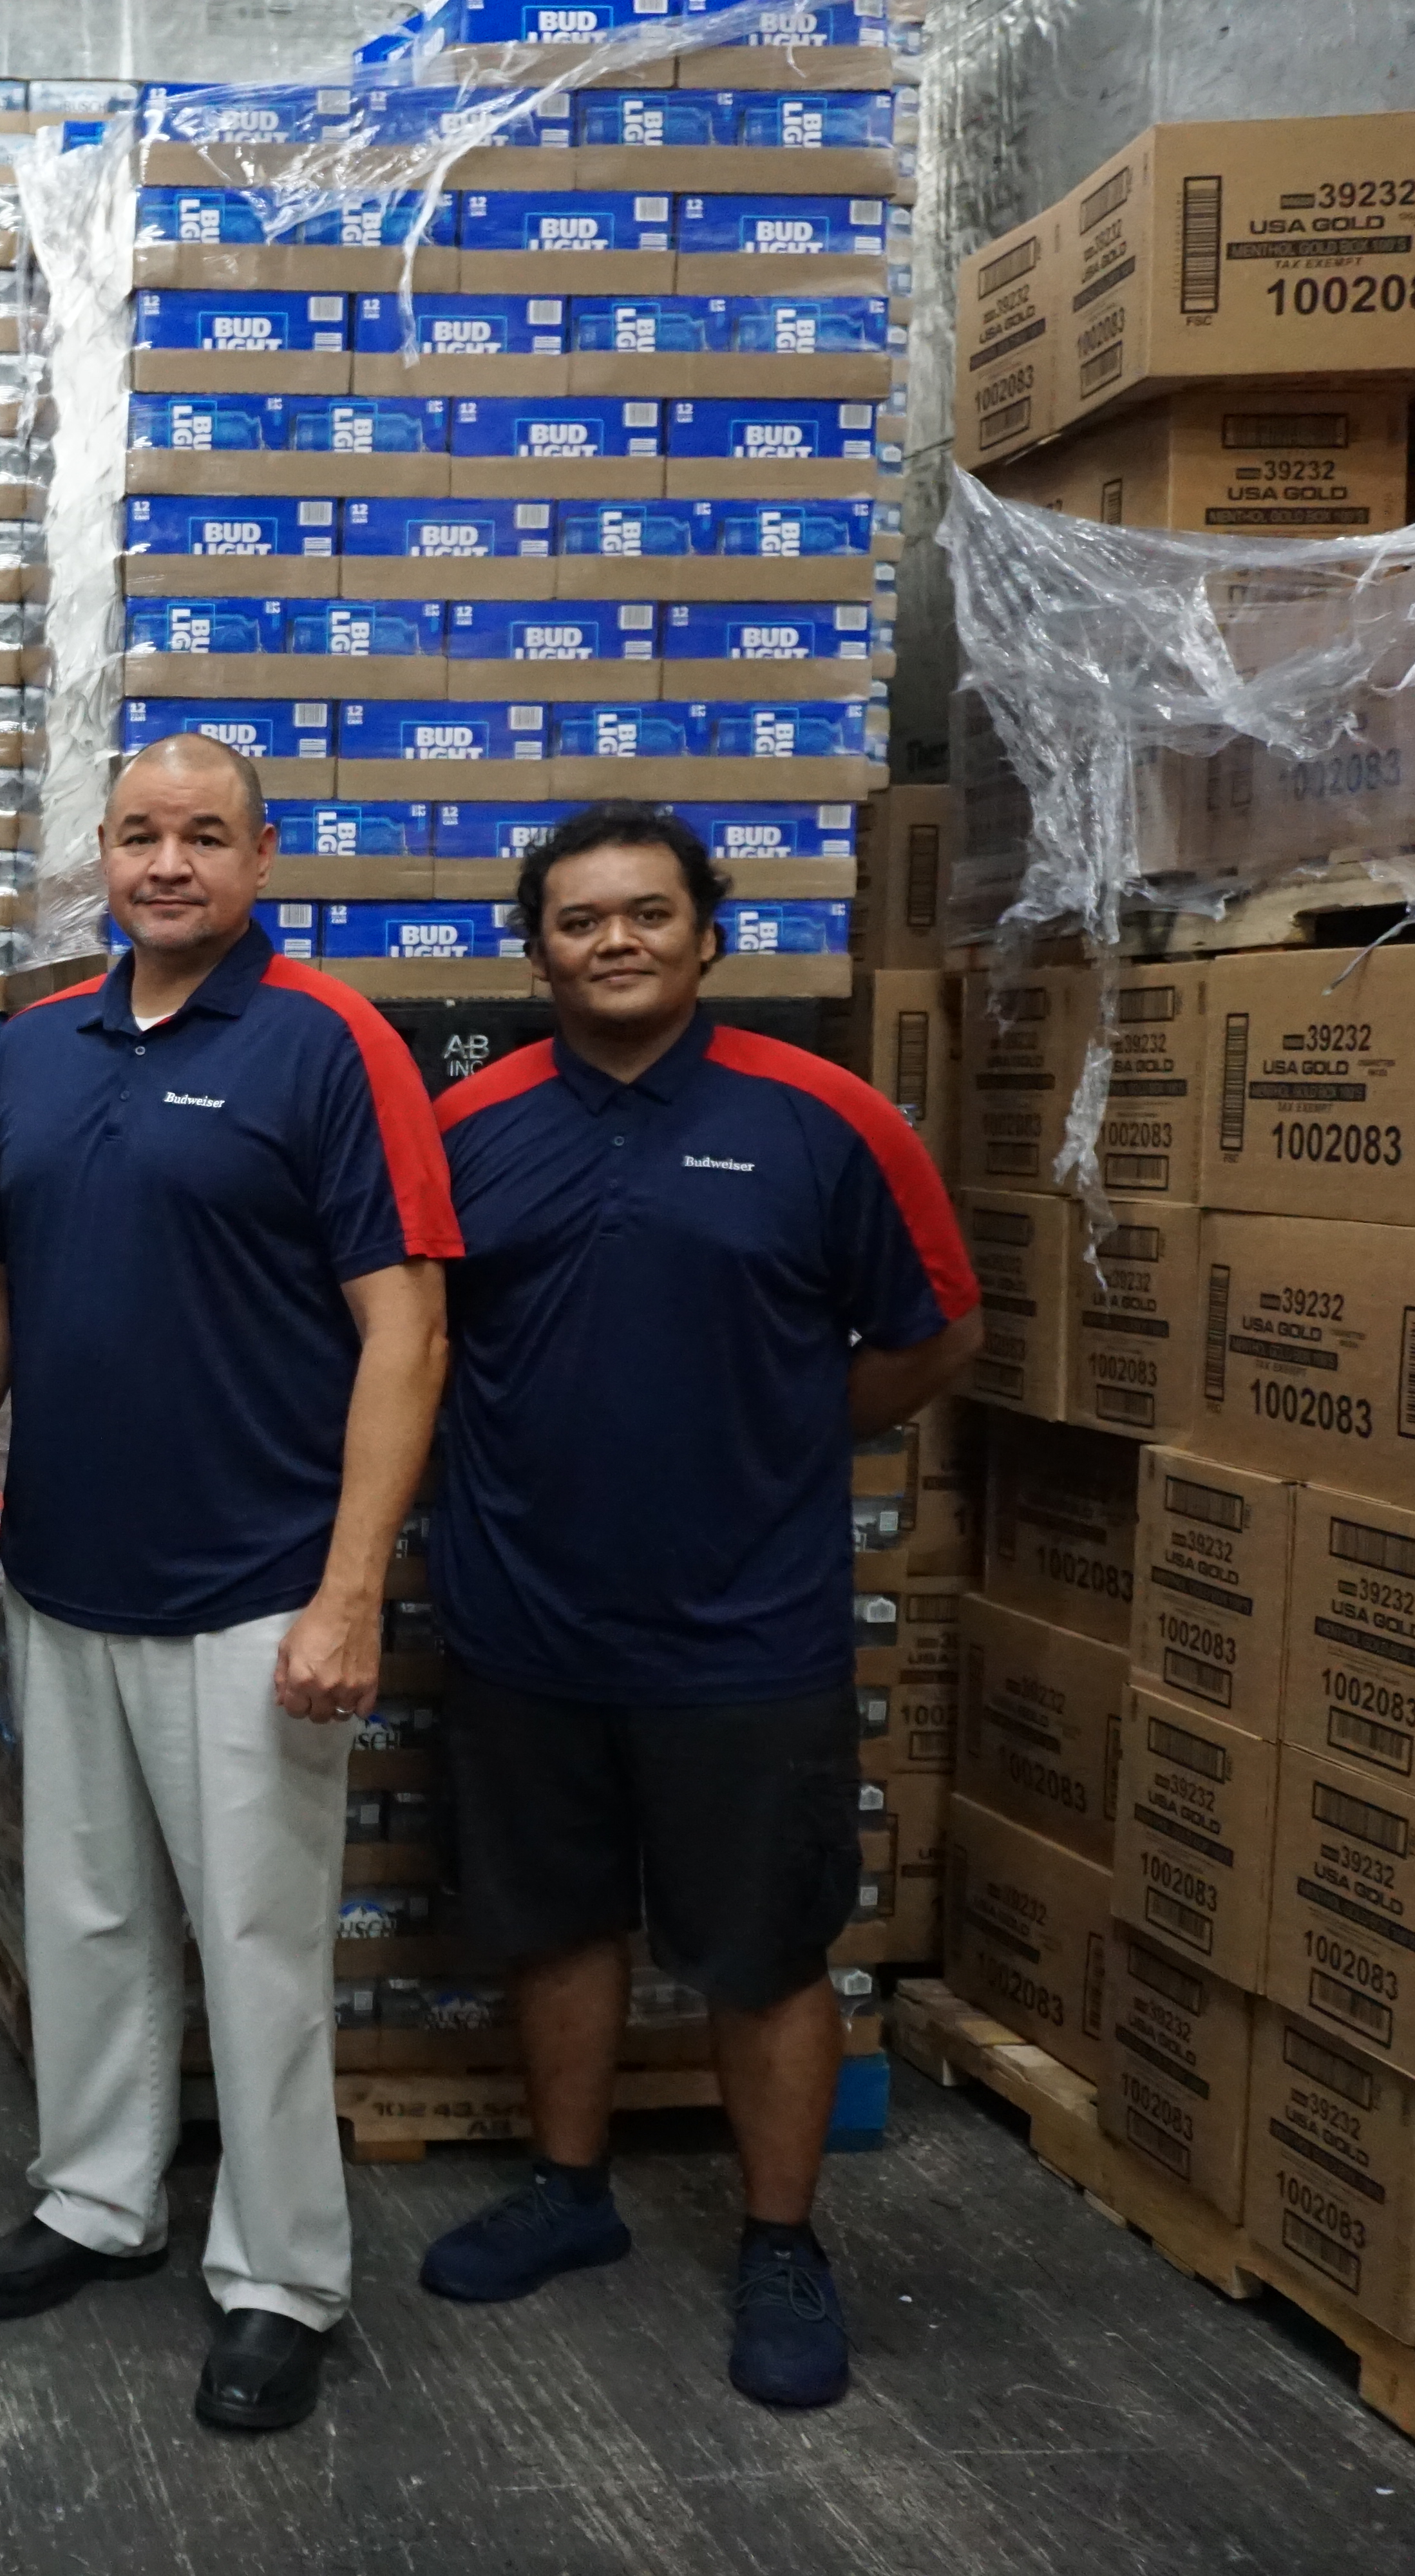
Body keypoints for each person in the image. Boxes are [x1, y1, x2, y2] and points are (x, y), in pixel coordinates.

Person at [415, 803, 979, 2409]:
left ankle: (783, 2238)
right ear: (536, 950)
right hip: (524, 1614)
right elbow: (415, 1341)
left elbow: (939, 1334)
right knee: (556, 1918)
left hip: (748, 1627)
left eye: (647, 914)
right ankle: (571, 2188)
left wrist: (787, 1430)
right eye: (580, 919)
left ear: (708, 934)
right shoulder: (475, 1128)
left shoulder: (827, 1119)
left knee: (765, 1946)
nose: (615, 941)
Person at [0, 732, 458, 2436]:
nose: (170, 865)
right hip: (68, 1571)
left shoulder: (328, 1045)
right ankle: (96, 2199)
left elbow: (408, 1329)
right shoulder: (35, 1053)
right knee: (83, 1919)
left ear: (261, 856)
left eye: (206, 837)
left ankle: (281, 2275)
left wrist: (352, 1586)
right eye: (142, 836)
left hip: (257, 1584)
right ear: (101, 853)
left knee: (257, 1941)